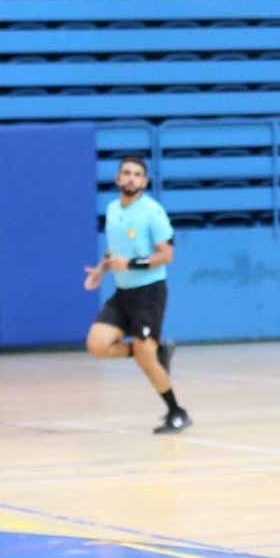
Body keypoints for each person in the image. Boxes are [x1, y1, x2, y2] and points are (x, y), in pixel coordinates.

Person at [82, 156, 189, 435]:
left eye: (137, 174)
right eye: (126, 173)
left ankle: (176, 412)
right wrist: (100, 270)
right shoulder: (112, 210)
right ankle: (156, 351)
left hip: (149, 294)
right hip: (123, 292)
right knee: (97, 344)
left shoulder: (152, 211)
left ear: (144, 182)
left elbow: (167, 254)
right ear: (118, 179)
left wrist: (130, 264)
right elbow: (113, 250)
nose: (131, 178)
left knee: (145, 355)